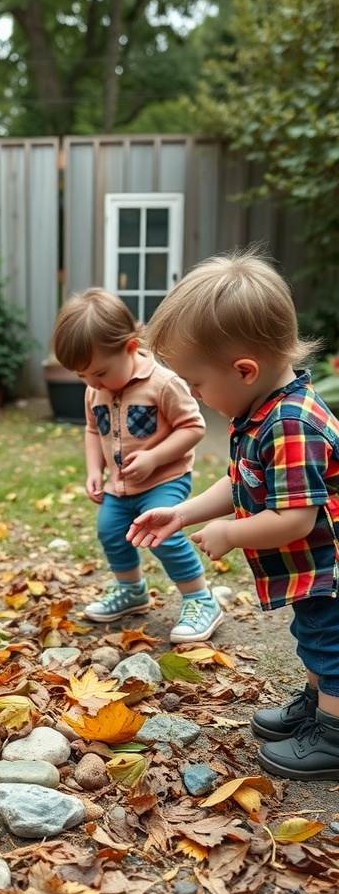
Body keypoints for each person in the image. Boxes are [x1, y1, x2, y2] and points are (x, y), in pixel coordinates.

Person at [126, 248, 339, 781]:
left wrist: (230, 532)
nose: (194, 396)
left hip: (331, 570)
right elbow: (240, 482)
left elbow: (294, 519)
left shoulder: (292, 424)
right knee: (313, 635)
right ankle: (317, 710)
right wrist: (182, 513)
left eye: (195, 385)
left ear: (244, 369)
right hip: (314, 572)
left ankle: (334, 737)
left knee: (330, 643)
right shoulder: (262, 409)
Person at [52, 287, 223, 643]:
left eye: (99, 372)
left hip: (165, 479)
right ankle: (132, 591)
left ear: (130, 347)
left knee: (164, 536)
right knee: (111, 530)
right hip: (120, 484)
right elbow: (91, 428)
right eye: (83, 376)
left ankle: (200, 599)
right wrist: (92, 471)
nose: (92, 383)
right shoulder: (93, 389)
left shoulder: (163, 383)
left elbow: (193, 427)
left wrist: (153, 457)